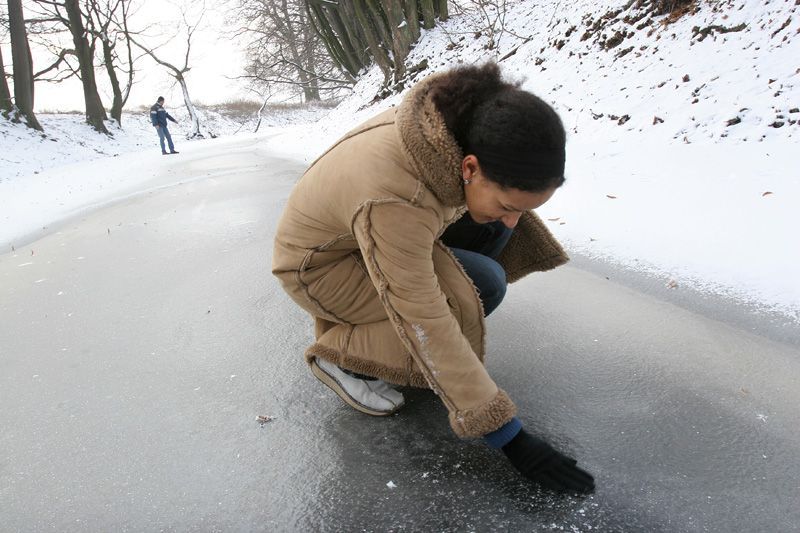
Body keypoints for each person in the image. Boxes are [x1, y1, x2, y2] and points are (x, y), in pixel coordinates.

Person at [272, 62, 594, 494]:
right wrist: (508, 436)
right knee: (473, 289)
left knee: (490, 232)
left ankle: (395, 345)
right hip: (321, 270)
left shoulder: (450, 127)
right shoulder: (395, 196)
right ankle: (342, 358)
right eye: (508, 202)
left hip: (363, 239)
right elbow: (421, 314)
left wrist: (500, 214)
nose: (517, 220)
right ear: (470, 168)